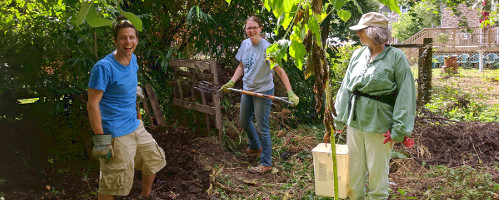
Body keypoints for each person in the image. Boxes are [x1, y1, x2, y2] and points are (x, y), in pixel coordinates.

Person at [329, 12, 416, 199]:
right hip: (355, 121)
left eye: (362, 30)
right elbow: (346, 88)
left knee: (377, 176)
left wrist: (398, 130)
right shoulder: (358, 54)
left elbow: (406, 95)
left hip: (380, 126)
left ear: (374, 32)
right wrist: (338, 119)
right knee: (354, 173)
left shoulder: (396, 58)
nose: (358, 34)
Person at [87, 15, 166, 200]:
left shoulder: (134, 60)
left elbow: (131, 93)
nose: (128, 42)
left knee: (153, 160)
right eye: (123, 37)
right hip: (115, 133)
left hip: (134, 125)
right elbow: (92, 105)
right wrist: (101, 142)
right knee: (112, 180)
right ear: (115, 40)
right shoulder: (103, 68)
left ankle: (146, 196)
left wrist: (139, 119)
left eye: (132, 37)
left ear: (136, 40)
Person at [220, 16, 300, 174]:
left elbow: (279, 71)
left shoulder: (268, 49)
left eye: (254, 27)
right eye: (248, 28)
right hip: (247, 88)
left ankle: (266, 163)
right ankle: (255, 147)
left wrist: (290, 92)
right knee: (244, 121)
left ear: (260, 28)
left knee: (262, 127)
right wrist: (231, 82)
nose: (251, 30)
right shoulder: (244, 45)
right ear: (245, 29)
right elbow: (241, 66)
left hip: (263, 90)